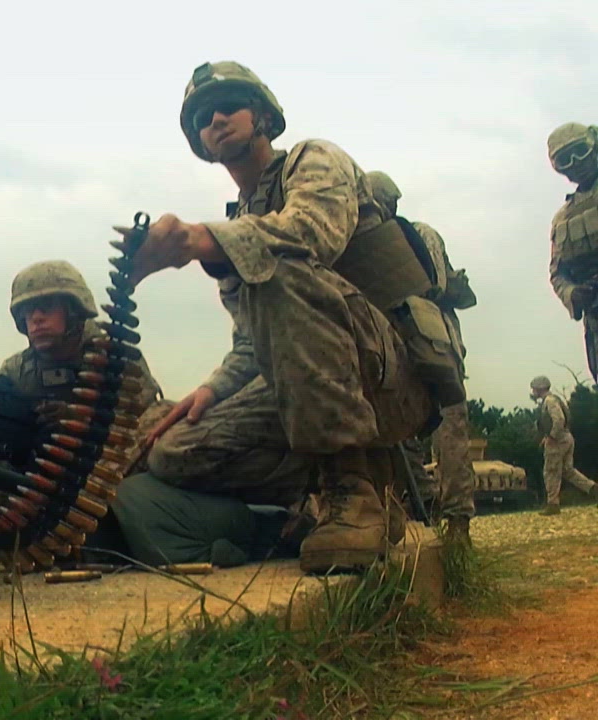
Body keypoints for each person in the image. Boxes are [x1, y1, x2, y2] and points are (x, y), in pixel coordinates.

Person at [121, 61, 434, 573]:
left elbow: (311, 235)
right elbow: (253, 342)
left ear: (263, 115)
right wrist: (213, 390)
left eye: (228, 106)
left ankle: (354, 493)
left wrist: (205, 240)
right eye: (202, 116)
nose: (216, 118)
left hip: (386, 372)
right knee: (173, 450)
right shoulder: (240, 224)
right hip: (309, 380)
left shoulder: (314, 161)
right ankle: (347, 494)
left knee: (274, 268)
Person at [366, 170, 479, 543]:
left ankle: (457, 523)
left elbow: (434, 284)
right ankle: (420, 511)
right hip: (391, 348)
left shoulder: (417, 233)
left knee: (450, 429)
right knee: (397, 432)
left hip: (433, 343)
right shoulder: (357, 243)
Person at [0, 259, 161, 408]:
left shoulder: (115, 358)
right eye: (27, 311)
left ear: (74, 310)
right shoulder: (17, 371)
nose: (36, 317)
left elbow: (147, 427)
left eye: (47, 305)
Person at [546, 123, 598, 382]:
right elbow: (557, 273)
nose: (575, 163)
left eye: (580, 152)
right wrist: (572, 294)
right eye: (564, 160)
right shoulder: (562, 220)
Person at [530, 375, 597, 515]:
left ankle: (553, 504)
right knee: (568, 471)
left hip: (558, 441)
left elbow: (559, 419)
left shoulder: (549, 401)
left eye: (534, 389)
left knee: (551, 472)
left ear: (539, 388)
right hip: (566, 438)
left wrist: (552, 437)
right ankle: (593, 489)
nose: (533, 392)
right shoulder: (554, 399)